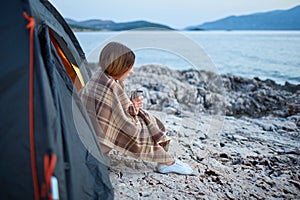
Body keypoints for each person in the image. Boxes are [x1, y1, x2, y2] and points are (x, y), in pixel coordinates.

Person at [79, 41, 193, 175]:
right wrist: (135, 113)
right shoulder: (110, 87)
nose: (131, 71)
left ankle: (165, 160)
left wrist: (133, 106)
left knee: (146, 120)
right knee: (142, 130)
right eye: (129, 67)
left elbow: (117, 113)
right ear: (119, 66)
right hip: (93, 146)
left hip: (90, 138)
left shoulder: (101, 78)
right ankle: (167, 162)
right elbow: (124, 124)